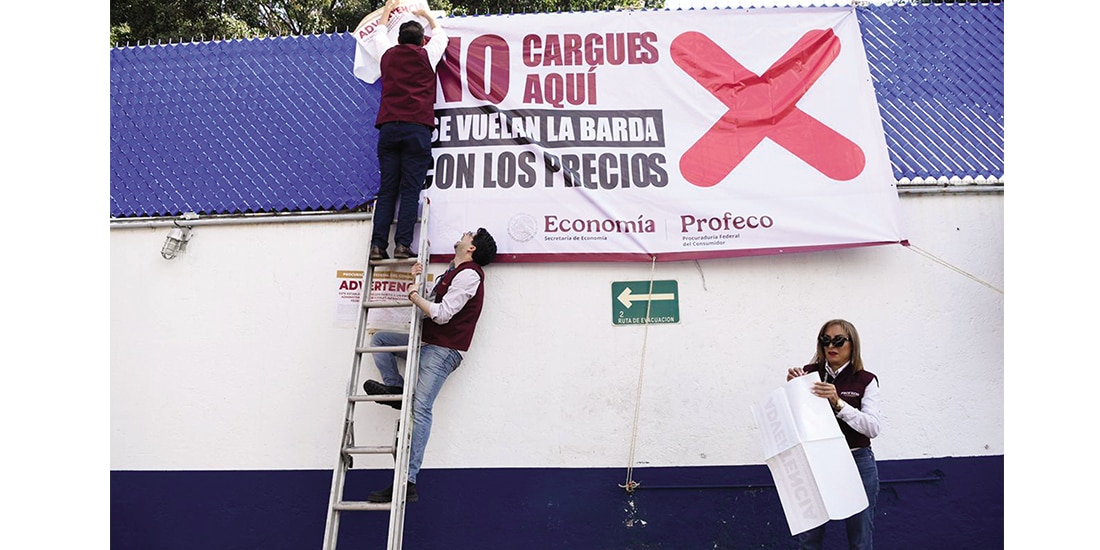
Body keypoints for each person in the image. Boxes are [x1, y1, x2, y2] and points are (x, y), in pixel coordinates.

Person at [361, 228, 497, 502]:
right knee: (382, 340)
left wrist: (413, 295)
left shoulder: (469, 275)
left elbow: (442, 314)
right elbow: (433, 304)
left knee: (421, 410)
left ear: (472, 248)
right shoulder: (453, 271)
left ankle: (407, 481)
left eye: (469, 235)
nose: (463, 234)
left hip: (444, 350)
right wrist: (418, 279)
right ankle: (395, 391)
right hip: (429, 343)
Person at [785, 319, 881, 550]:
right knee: (808, 538)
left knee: (860, 537)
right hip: (817, 460)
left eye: (838, 340)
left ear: (852, 344)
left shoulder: (865, 379)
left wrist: (838, 403)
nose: (831, 346)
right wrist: (792, 389)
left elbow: (873, 428)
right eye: (825, 340)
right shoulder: (808, 375)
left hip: (856, 460)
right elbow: (794, 419)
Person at [368, 0, 448, 260]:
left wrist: (386, 14)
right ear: (421, 42)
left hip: (389, 128)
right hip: (417, 128)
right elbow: (441, 35)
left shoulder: (388, 56)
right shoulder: (428, 55)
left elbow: (379, 36)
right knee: (410, 188)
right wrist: (426, 14)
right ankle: (403, 244)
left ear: (399, 41)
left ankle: (378, 246)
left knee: (388, 188)